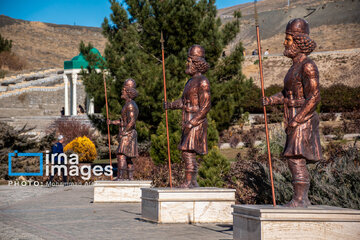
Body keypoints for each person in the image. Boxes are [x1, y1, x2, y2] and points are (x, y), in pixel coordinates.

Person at [262, 18, 322, 207]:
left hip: (302, 119)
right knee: (292, 158)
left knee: (296, 158)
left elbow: (314, 97)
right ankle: (300, 198)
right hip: (293, 117)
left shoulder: (308, 66)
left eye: (287, 39)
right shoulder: (293, 67)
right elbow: (286, 94)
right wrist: (271, 100)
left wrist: (298, 119)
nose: (284, 43)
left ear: (298, 41)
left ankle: (300, 199)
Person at [164, 45, 211, 188]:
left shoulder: (202, 81)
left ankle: (190, 181)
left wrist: (192, 122)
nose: (187, 64)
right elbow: (183, 101)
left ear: (197, 63)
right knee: (186, 152)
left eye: (189, 61)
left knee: (188, 152)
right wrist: (170, 105)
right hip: (187, 119)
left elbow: (206, 106)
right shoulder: (190, 82)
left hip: (195, 122)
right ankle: (191, 181)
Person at [108, 79, 139, 180]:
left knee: (121, 155)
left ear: (128, 92)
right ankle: (130, 178)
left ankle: (121, 177)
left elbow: (131, 121)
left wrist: (124, 132)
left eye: (123, 90)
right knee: (128, 157)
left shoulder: (130, 105)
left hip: (128, 133)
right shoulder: (128, 104)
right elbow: (123, 121)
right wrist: (112, 122)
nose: (122, 92)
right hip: (128, 132)